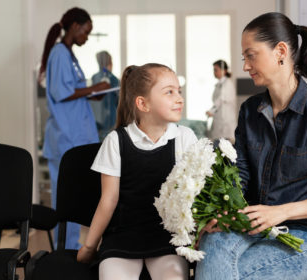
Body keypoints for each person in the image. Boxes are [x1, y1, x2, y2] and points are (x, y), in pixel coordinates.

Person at [195, 12, 307, 280]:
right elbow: (242, 174)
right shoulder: (250, 111)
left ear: (280, 51)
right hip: (256, 224)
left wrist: (281, 212)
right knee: (212, 241)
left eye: (251, 55)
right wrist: (223, 211)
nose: (245, 65)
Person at [77, 63, 197, 280]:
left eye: (179, 91)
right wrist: (89, 247)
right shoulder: (116, 141)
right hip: (122, 239)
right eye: (169, 92)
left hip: (167, 239)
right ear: (142, 103)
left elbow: (196, 197)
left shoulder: (185, 138)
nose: (179, 98)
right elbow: (108, 201)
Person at [39, 7, 110, 250]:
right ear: (74, 26)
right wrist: (93, 89)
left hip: (74, 135)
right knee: (66, 196)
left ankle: (70, 247)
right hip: (65, 136)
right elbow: (61, 92)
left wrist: (93, 94)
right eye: (86, 32)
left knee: (74, 194)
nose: (87, 37)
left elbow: (72, 92)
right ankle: (64, 250)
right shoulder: (59, 53)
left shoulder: (68, 55)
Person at [90, 51, 120, 141]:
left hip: (95, 117)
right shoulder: (113, 78)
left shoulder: (95, 77)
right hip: (108, 119)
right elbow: (118, 99)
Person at [205, 60, 237, 142]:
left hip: (226, 121)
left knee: (225, 146)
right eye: (213, 70)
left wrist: (211, 111)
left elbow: (220, 99)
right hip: (219, 120)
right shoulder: (219, 84)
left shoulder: (227, 83)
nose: (214, 72)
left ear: (224, 70)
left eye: (216, 70)